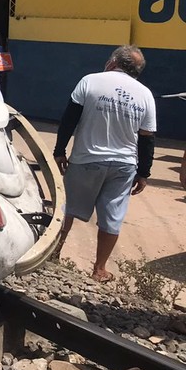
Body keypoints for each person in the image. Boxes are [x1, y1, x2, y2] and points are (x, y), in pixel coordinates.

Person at [52, 45, 156, 282]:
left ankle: (54, 253)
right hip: (123, 166)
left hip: (87, 159)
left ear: (112, 62)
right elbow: (147, 138)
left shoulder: (90, 81)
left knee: (67, 208)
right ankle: (99, 269)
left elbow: (69, 119)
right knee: (112, 217)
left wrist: (59, 151)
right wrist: (144, 173)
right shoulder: (145, 94)